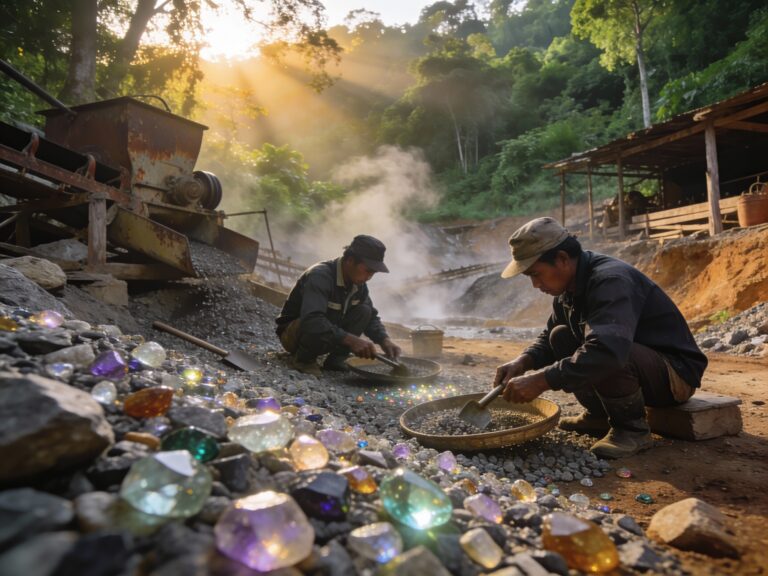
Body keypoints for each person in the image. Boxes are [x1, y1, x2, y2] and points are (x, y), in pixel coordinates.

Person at [494, 217, 707, 458]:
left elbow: (608, 350)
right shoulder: (568, 288)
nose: (535, 284)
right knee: (560, 336)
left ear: (562, 259)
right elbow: (549, 338)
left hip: (675, 376)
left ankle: (632, 431)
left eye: (536, 274)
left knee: (609, 350)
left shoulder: (610, 280)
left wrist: (542, 381)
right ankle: (599, 416)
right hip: (640, 365)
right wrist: (523, 361)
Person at [276, 235, 401, 376]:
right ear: (350, 260)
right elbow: (311, 320)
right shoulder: (320, 276)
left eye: (373, 273)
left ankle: (336, 361)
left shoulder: (358, 284)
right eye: (368, 271)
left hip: (323, 335)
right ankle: (304, 360)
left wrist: (384, 340)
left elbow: (371, 316)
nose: (369, 277)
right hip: (293, 335)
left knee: (364, 310)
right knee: (317, 319)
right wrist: (352, 340)